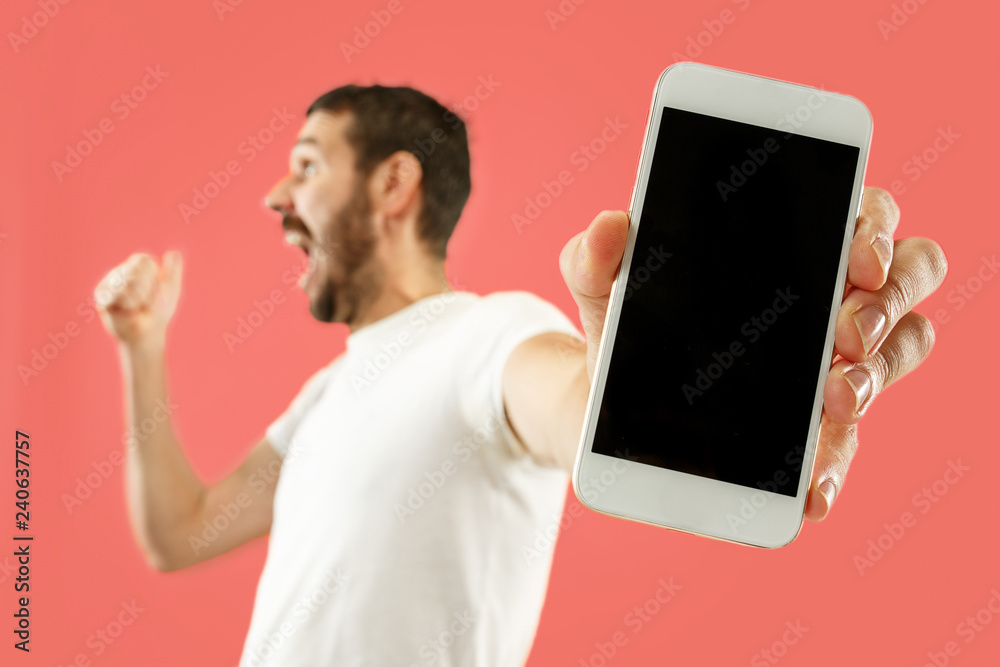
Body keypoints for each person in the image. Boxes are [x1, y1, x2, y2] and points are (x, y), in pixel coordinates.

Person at [93, 84, 947, 666]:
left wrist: (670, 374)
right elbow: (182, 532)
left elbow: (574, 409)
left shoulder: (494, 334)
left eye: (309, 164)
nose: (276, 195)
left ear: (395, 183)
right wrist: (142, 344)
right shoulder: (323, 397)